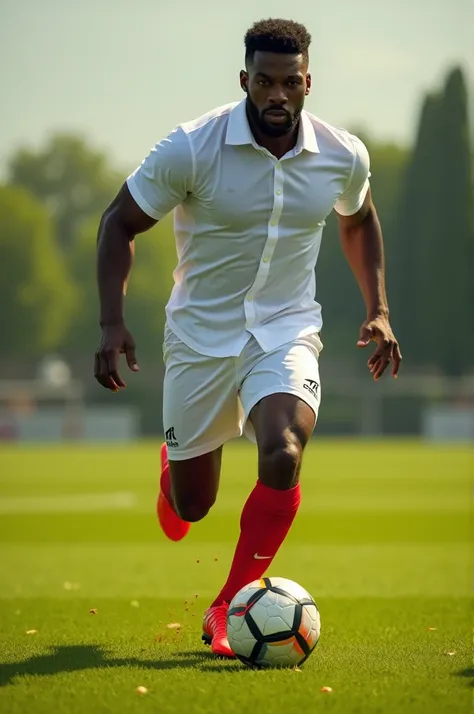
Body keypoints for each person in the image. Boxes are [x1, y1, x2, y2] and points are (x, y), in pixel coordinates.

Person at [95, 18, 402, 658]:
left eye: (291, 83)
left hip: (285, 330)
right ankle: (172, 475)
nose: (278, 96)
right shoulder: (191, 147)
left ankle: (224, 607)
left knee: (284, 451)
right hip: (199, 338)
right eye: (265, 82)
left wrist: (378, 307)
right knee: (193, 506)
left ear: (308, 83)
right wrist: (111, 322)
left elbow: (360, 218)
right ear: (245, 81)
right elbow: (117, 224)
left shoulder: (343, 155)